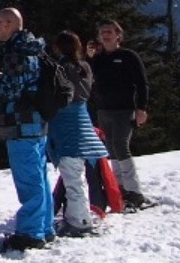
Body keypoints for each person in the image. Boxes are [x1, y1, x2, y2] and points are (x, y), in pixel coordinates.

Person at [0, 7, 54, 250]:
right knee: (39, 175)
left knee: (28, 179)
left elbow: (9, 90)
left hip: (20, 122)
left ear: (8, 24)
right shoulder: (34, 49)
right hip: (37, 122)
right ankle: (44, 226)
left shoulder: (16, 53)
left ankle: (30, 232)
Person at [90, 20, 155, 210]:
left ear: (118, 35)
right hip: (103, 110)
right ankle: (119, 189)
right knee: (110, 148)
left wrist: (141, 108)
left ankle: (134, 192)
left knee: (120, 145)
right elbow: (90, 79)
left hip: (124, 109)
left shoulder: (128, 56)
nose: (105, 35)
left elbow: (142, 83)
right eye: (102, 32)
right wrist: (90, 58)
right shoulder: (98, 59)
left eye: (109, 31)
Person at [49, 30, 108, 236]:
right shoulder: (85, 67)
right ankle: (78, 216)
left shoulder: (59, 69)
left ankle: (79, 220)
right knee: (77, 176)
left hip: (65, 126)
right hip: (83, 122)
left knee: (72, 178)